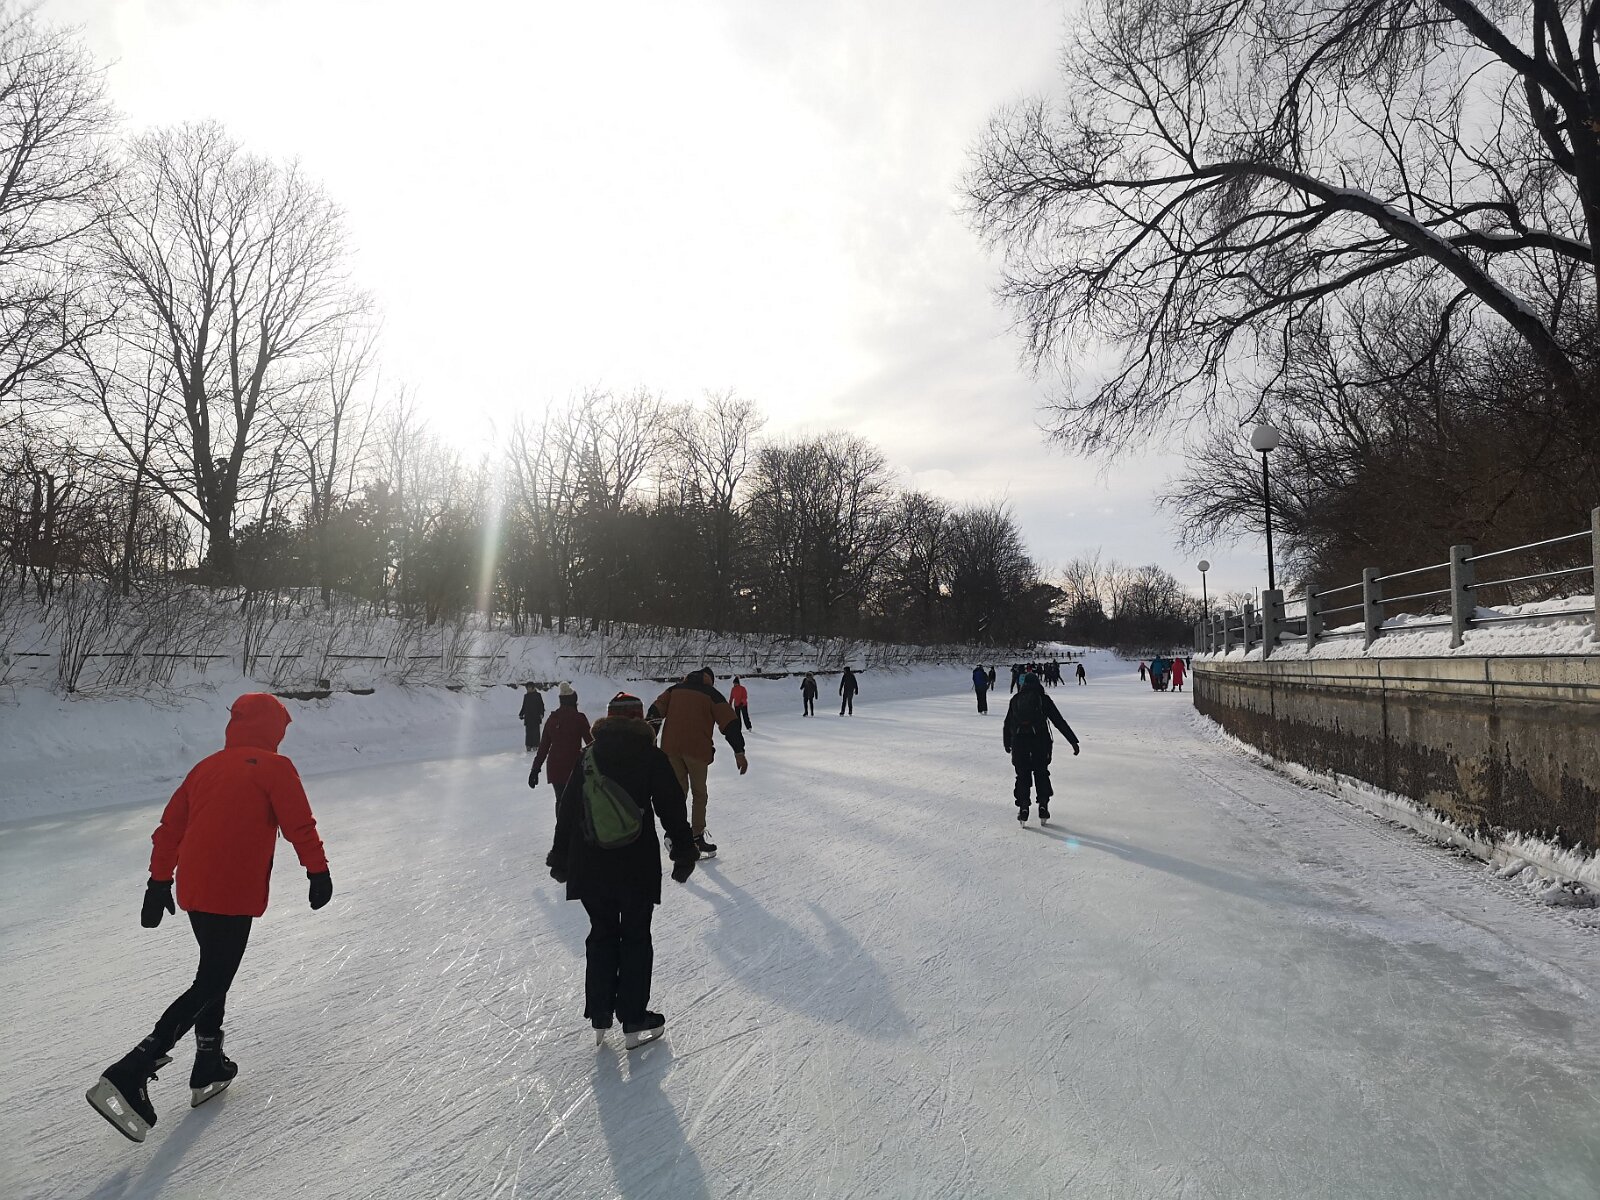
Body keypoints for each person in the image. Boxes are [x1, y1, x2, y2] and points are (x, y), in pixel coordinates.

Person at [86, 694, 332, 1144]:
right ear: (273, 729)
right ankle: (132, 1068)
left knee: (212, 972)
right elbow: (300, 824)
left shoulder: (206, 767)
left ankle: (208, 1061)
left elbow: (170, 829)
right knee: (214, 979)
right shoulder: (276, 767)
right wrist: (317, 871)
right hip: (234, 890)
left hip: (195, 889)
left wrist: (158, 882)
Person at [547, 692, 698, 1049]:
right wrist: (683, 851)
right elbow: (671, 806)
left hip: (590, 862)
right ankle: (633, 1017)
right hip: (636, 864)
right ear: (638, 719)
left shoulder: (588, 755)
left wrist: (560, 857)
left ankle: (600, 1014)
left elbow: (568, 808)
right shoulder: (650, 756)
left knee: (601, 933)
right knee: (635, 936)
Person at [648, 668, 748, 858]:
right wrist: (739, 751)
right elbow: (729, 722)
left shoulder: (674, 690)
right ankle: (696, 837)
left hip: (670, 749)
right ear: (709, 680)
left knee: (677, 792)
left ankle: (673, 834)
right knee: (699, 794)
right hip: (696, 750)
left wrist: (650, 742)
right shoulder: (711, 694)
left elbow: (654, 712)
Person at [1002, 672, 1080, 824]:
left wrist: (1007, 743)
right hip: (1040, 742)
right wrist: (1072, 741)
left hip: (1020, 743)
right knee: (1041, 773)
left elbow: (1008, 723)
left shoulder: (1015, 699)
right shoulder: (1043, 699)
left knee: (1022, 775)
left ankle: (1023, 807)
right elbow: (1058, 720)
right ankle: (1043, 805)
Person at [531, 684, 593, 809]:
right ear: (574, 701)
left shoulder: (552, 719)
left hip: (555, 768)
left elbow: (543, 748)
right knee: (577, 802)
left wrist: (535, 769)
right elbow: (591, 743)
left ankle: (560, 821)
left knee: (560, 801)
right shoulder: (579, 718)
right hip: (573, 767)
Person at [518, 682, 546, 751]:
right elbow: (524, 706)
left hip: (536, 717)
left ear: (533, 687)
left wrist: (541, 713)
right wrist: (521, 714)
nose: (528, 689)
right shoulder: (526, 696)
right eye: (527, 688)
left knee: (536, 732)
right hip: (528, 717)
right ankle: (528, 745)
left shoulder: (538, 695)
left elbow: (541, 705)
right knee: (528, 732)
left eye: (529, 688)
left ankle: (535, 745)